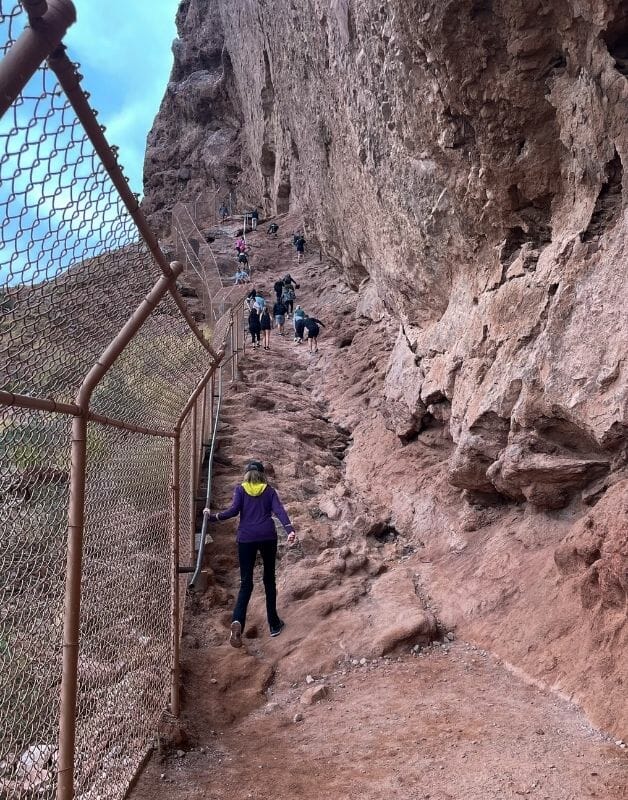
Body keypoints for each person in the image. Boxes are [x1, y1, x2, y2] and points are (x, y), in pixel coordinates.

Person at [204, 460, 297, 645]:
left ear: (246, 475)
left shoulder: (240, 489)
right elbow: (279, 511)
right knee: (269, 579)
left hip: (246, 538)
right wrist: (290, 530)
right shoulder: (269, 491)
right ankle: (274, 624)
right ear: (263, 475)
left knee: (246, 583)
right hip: (267, 536)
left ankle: (238, 621)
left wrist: (213, 517)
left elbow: (233, 511)